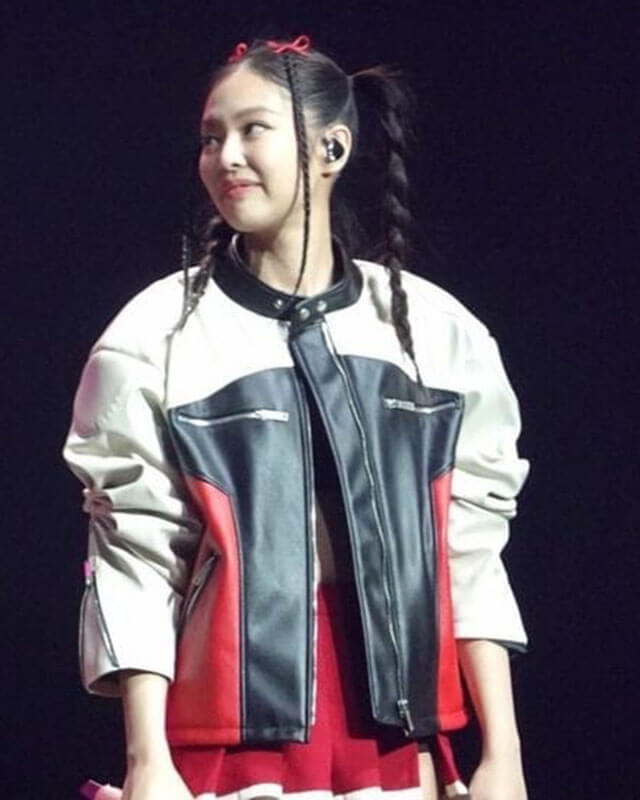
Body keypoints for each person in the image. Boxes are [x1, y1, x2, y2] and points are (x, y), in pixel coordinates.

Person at [64, 34, 529, 800]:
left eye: (253, 130)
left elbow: (469, 550)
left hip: (395, 736)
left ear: (332, 148)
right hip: (230, 738)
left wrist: (502, 753)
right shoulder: (153, 337)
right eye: (210, 138)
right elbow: (135, 556)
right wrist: (147, 761)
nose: (226, 157)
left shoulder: (436, 334)